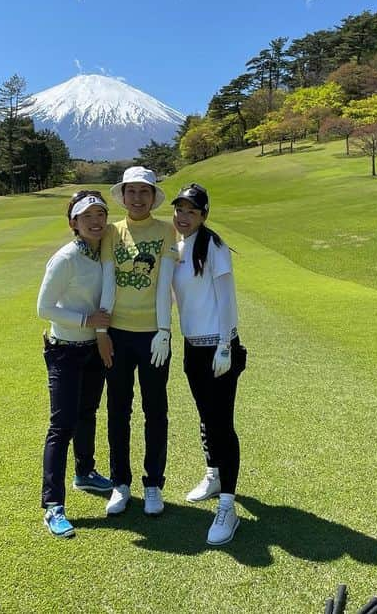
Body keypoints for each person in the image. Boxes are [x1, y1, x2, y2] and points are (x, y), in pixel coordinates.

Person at [35, 189, 116, 538]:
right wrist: (87, 321)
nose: (96, 222)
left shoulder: (105, 254)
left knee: (87, 414)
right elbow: (44, 308)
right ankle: (53, 505)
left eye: (100, 215)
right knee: (62, 425)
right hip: (65, 349)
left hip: (92, 349)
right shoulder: (65, 258)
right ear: (74, 223)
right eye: (87, 217)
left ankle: (85, 473)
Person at [170, 183, 247, 545]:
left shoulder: (214, 247)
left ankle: (228, 507)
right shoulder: (177, 246)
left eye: (190, 211)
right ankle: (213, 474)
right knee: (205, 417)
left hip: (218, 348)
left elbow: (226, 298)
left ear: (203, 215)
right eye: (179, 210)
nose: (182, 217)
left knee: (221, 424)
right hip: (192, 349)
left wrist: (224, 345)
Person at [98, 166, 177, 516]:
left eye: (144, 191)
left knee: (155, 410)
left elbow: (165, 284)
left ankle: (154, 483)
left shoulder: (166, 230)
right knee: (118, 409)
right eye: (131, 191)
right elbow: (106, 280)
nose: (138, 198)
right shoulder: (112, 233)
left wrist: (164, 330)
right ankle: (121, 483)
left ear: (153, 196)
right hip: (118, 333)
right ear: (123, 195)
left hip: (152, 335)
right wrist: (102, 332)